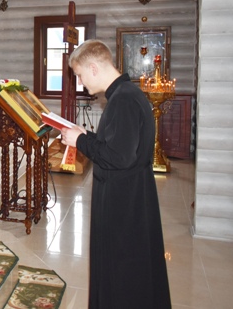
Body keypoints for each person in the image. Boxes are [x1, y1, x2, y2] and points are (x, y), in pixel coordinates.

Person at [61, 39, 171, 309]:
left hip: (123, 205)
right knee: (128, 271)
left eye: (80, 75)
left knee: (122, 274)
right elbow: (117, 144)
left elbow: (119, 157)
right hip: (131, 197)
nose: (80, 82)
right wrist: (87, 136)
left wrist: (80, 141)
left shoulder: (123, 100)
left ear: (94, 68)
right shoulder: (126, 94)